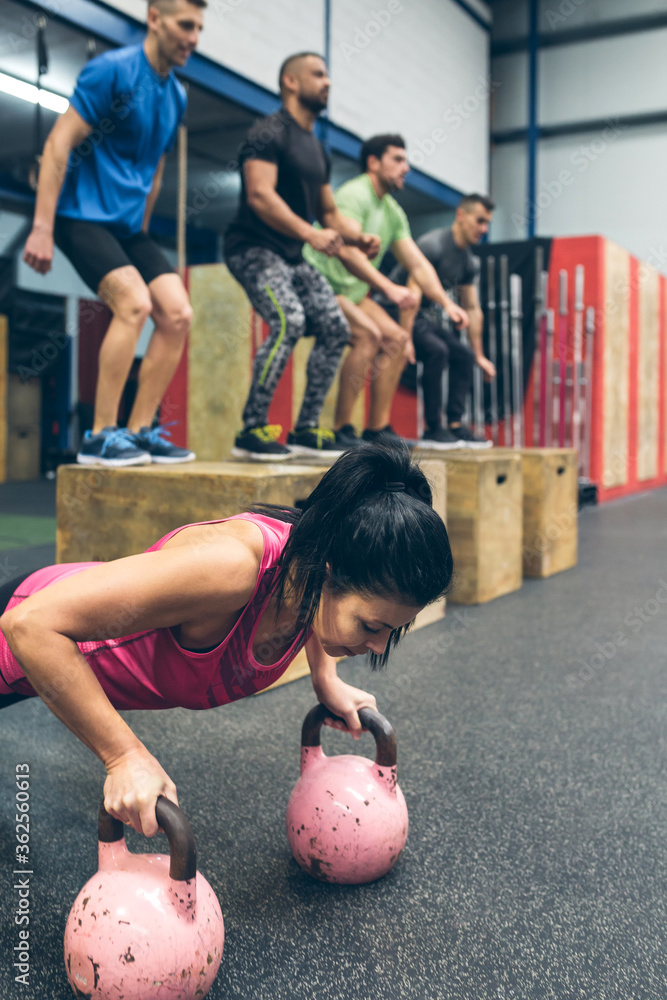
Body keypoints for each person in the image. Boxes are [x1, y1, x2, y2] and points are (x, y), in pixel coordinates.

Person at [0, 443, 453, 837]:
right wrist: (123, 756)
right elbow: (31, 625)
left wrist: (324, 677)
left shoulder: (315, 563)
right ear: (329, 574)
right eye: (371, 627)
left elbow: (318, 606)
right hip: (25, 635)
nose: (378, 647)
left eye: (394, 631)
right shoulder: (230, 568)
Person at [22, 0, 204, 468]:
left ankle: (140, 430)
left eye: (199, 28)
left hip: (126, 227)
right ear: (154, 18)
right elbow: (58, 143)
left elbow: (156, 168)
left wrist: (140, 234)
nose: (193, 38)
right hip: (79, 215)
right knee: (135, 303)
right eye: (186, 25)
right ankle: (100, 435)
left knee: (179, 313)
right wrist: (42, 227)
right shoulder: (113, 71)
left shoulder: (176, 95)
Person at [224, 52, 381, 462]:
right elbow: (260, 195)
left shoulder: (317, 148)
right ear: (290, 82)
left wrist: (357, 236)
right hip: (252, 248)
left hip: (292, 256)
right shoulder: (268, 132)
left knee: (333, 326)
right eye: (318, 74)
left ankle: (307, 428)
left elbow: (329, 212)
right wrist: (311, 233)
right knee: (288, 319)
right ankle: (251, 429)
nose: (327, 82)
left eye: (328, 74)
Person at [303, 134, 469, 450]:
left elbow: (418, 265)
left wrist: (446, 303)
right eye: (398, 160)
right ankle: (342, 429)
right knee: (368, 335)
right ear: (373, 162)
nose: (406, 168)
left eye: (406, 160)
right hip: (322, 284)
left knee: (398, 338)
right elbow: (346, 252)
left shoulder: (392, 211)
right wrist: (388, 288)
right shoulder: (355, 194)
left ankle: (377, 430)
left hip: (353, 293)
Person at [390, 194, 497, 449]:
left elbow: (472, 308)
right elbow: (412, 293)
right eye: (480, 221)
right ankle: (432, 428)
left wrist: (479, 355)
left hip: (424, 317)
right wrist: (405, 339)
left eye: (487, 223)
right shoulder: (433, 245)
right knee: (437, 350)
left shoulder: (469, 261)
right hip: (397, 310)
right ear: (461, 215)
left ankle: (455, 425)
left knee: (463, 355)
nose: (484, 229)